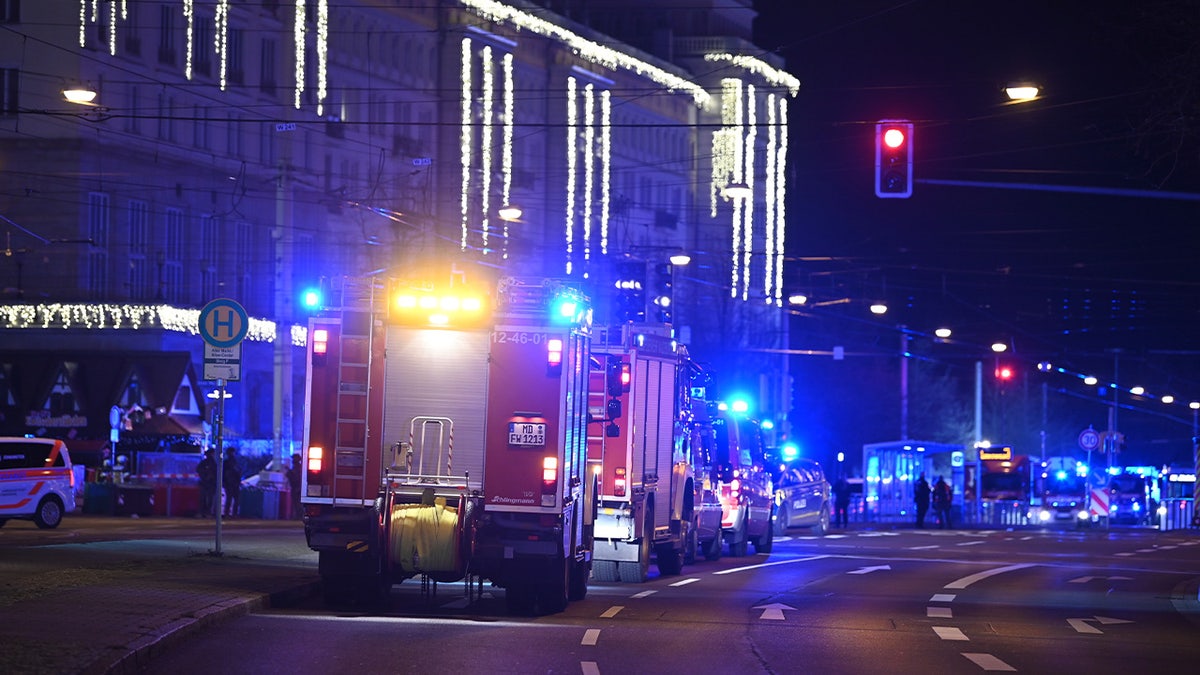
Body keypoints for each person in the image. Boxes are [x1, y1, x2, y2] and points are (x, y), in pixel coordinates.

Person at [196, 449, 217, 518]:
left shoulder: (209, 462)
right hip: (207, 483)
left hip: (208, 483)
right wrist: (205, 476)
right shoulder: (209, 463)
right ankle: (205, 512)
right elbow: (199, 470)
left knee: (206, 498)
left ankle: (204, 512)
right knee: (206, 498)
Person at [222, 447, 242, 518]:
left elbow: (239, 472)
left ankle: (230, 513)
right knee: (231, 499)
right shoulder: (230, 462)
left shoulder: (231, 462)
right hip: (231, 483)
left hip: (232, 483)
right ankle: (232, 514)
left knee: (232, 499)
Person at [287, 452, 303, 520]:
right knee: (296, 503)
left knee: (298, 503)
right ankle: (297, 516)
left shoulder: (298, 468)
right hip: (295, 488)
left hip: (297, 489)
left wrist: (289, 473)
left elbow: (296, 478)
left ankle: (298, 516)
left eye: (294, 458)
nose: (293, 460)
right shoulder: (296, 467)